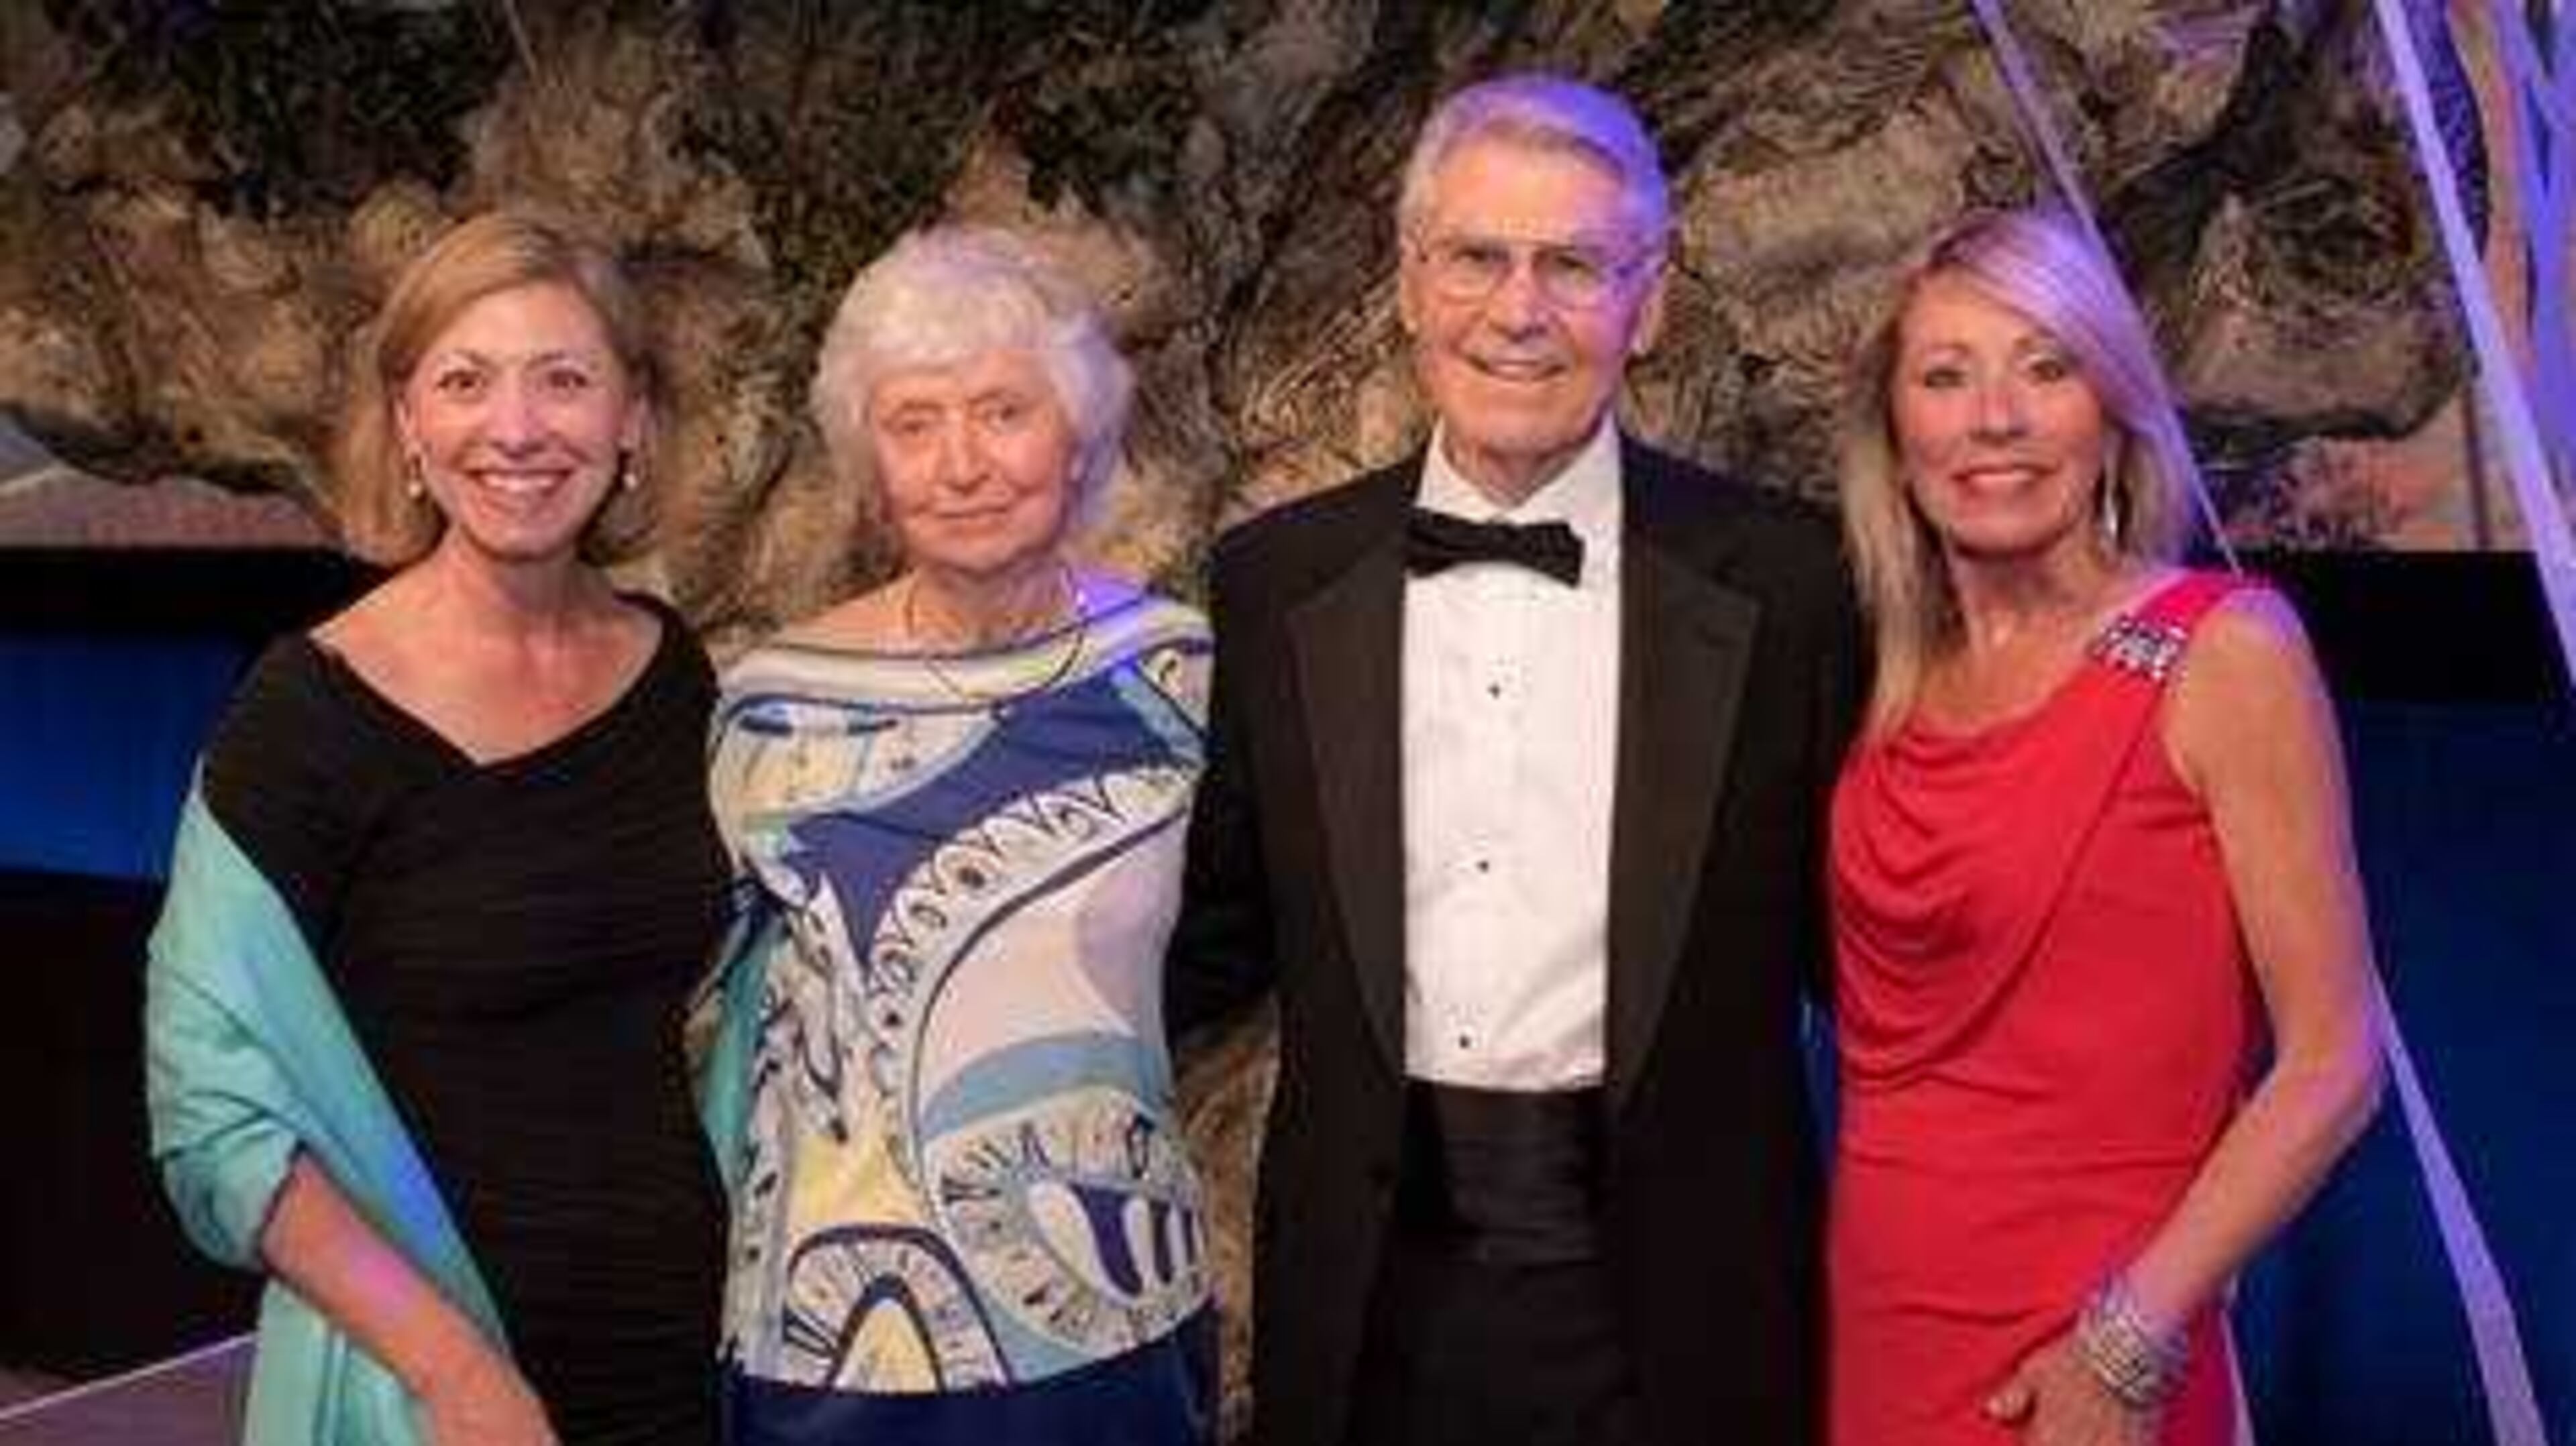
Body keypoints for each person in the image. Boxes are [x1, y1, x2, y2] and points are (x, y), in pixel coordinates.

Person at [1166, 74, 1863, 1446]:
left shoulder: (1793, 583)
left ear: (1648, 304)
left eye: (1574, 266)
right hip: (1364, 1303)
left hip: (1684, 1311)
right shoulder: (1274, 580)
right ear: (1410, 285)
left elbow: (1876, 956)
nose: (1519, 310)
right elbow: (1210, 933)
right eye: (1478, 257)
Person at [145, 211, 727, 1445]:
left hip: (685, 1368)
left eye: (563, 380)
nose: (516, 429)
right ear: (408, 423)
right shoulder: (307, 714)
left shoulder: (679, 678)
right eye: (465, 382)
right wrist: (458, 1376)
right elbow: (214, 1120)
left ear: (632, 419)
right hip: (431, 1396)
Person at [1827, 207, 2387, 1446]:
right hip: (1883, 1339)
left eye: (2046, 367)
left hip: (2092, 1357)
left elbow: (2335, 1061)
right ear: (1896, 434)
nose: (1996, 419)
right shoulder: (1885, 684)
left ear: (2112, 409)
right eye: (1946, 377)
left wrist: (2128, 1343)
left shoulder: (2224, 651)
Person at [698, 226, 1216, 1445]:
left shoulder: (1179, 674)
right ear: (869, 466)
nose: (963, 464)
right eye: (914, 424)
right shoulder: (769, 707)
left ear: (1077, 436)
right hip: (829, 1341)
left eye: (1003, 412)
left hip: (1115, 1312)